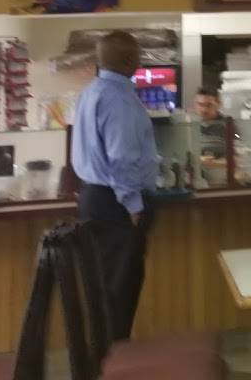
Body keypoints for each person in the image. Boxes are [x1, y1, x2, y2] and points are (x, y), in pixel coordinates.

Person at [72, 31, 160, 340]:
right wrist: (133, 205)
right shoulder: (119, 98)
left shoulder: (89, 93)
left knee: (105, 285)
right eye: (138, 54)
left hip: (94, 197)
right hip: (117, 204)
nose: (140, 59)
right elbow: (121, 157)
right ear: (129, 59)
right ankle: (114, 357)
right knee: (120, 289)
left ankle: (103, 355)